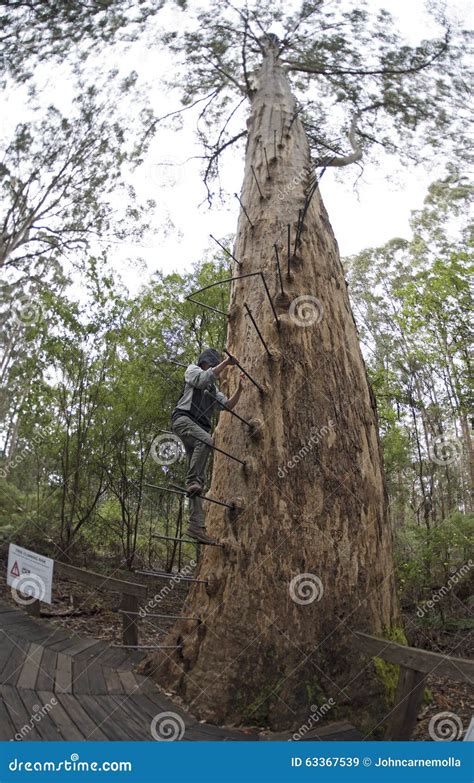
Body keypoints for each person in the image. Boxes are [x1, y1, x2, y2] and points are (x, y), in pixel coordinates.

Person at [171, 348, 244, 544]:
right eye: (211, 364)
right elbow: (202, 380)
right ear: (204, 362)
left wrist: (240, 389)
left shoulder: (213, 390)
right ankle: (192, 481)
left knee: (197, 482)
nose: (213, 367)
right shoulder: (192, 370)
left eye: (215, 364)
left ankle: (196, 525)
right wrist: (226, 364)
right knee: (206, 442)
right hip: (184, 420)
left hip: (198, 430)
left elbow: (226, 406)